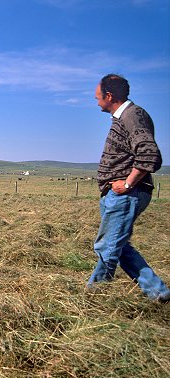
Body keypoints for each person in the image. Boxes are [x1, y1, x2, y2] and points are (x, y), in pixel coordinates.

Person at [87, 74, 169, 303]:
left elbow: (149, 154)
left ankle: (95, 296)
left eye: (97, 97)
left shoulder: (133, 115)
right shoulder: (124, 118)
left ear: (109, 95)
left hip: (126, 194)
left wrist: (127, 183)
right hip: (119, 194)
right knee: (119, 246)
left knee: (107, 245)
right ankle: (158, 293)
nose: (96, 102)